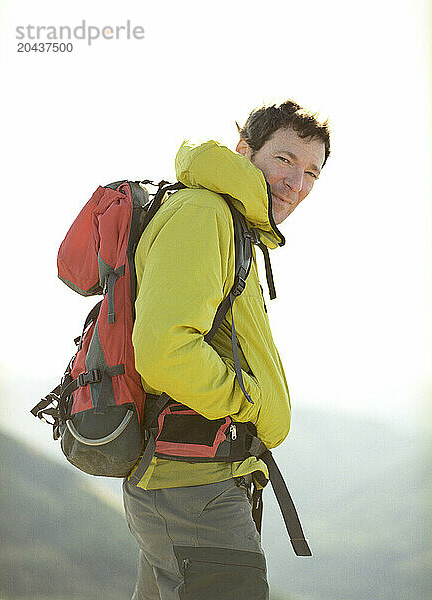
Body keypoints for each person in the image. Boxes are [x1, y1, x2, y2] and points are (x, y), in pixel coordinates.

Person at [122, 100, 330, 600]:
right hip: (194, 486)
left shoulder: (233, 223)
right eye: (284, 160)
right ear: (245, 151)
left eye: (311, 173)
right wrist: (251, 405)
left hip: (199, 480)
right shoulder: (202, 213)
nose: (296, 184)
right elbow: (164, 349)